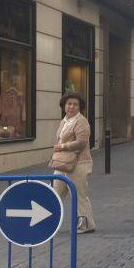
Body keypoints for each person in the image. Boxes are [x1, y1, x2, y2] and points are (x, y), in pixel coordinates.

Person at [52, 92, 95, 234]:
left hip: (79, 164)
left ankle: (86, 224)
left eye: (75, 104)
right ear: (64, 105)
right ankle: (48, 221)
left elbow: (82, 142)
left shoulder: (81, 121)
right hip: (63, 163)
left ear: (80, 107)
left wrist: (63, 147)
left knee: (79, 195)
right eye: (69, 103)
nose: (71, 106)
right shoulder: (64, 121)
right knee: (54, 193)